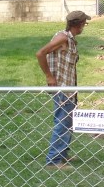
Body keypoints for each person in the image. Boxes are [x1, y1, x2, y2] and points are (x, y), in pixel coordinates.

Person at [36, 10, 90, 169]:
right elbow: (40, 53)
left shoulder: (70, 39)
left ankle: (62, 154)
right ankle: (54, 161)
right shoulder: (62, 37)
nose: (85, 26)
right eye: (84, 23)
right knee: (62, 123)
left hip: (69, 88)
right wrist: (49, 76)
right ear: (78, 24)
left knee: (68, 121)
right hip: (62, 88)